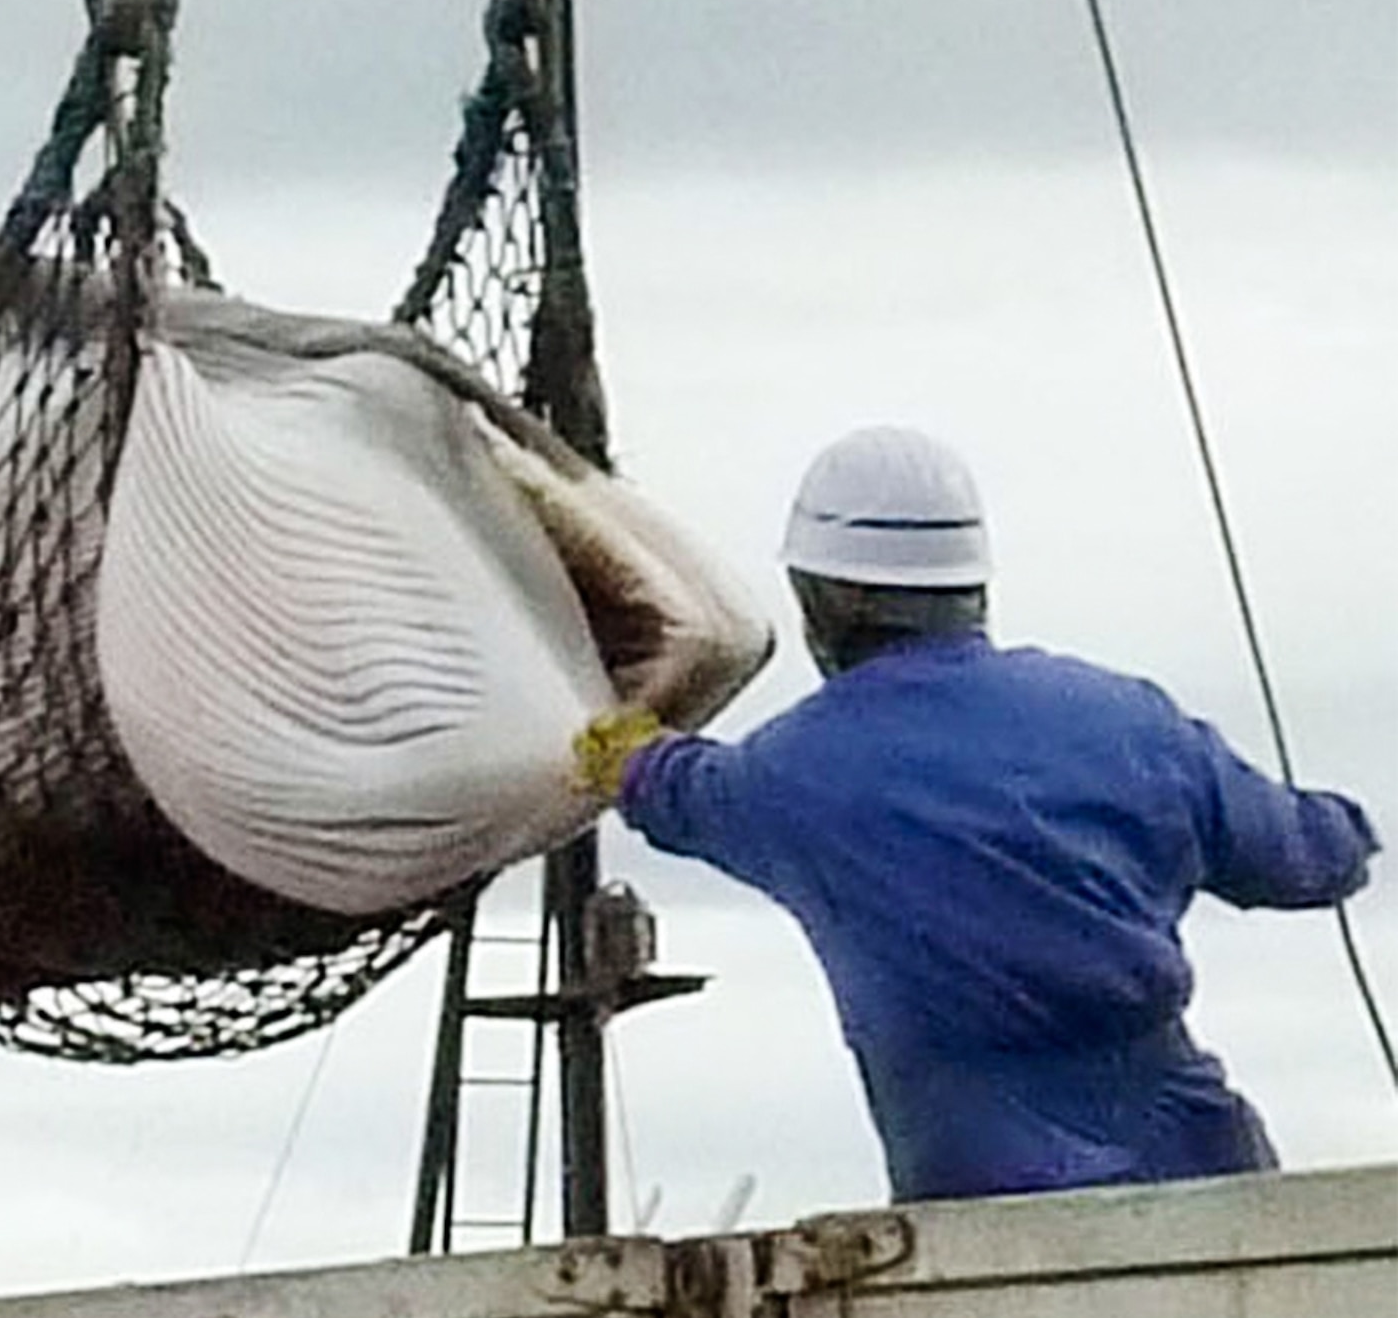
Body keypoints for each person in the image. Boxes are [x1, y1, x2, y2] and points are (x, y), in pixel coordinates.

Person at [573, 425, 1378, 1203]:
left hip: (981, 1214)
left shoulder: (789, 776)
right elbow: (1307, 858)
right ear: (973, 583)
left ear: (823, 596)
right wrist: (1348, 828)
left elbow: (670, 785)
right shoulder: (1127, 720)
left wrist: (619, 749)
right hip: (1209, 1188)